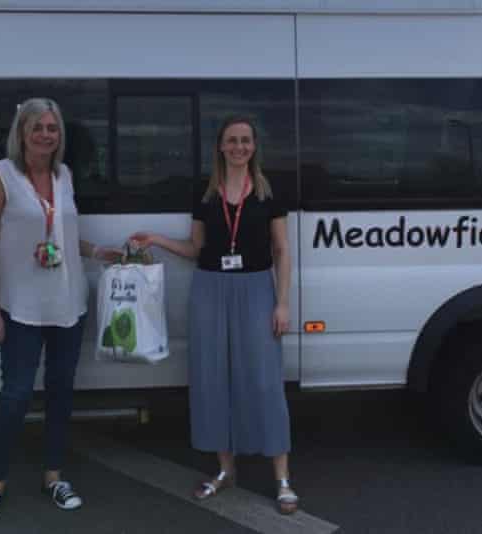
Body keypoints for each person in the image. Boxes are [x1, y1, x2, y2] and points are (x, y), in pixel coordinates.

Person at [130, 116, 298, 514]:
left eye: (245, 140)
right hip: (209, 289)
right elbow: (196, 249)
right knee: (213, 379)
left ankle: (283, 478)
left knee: (264, 383)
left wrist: (283, 302)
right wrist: (155, 240)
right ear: (220, 148)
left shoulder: (269, 193)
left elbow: (282, 251)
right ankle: (225, 470)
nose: (238, 146)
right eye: (231, 141)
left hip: (257, 289)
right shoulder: (205, 196)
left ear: (254, 147)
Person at [0, 98, 120, 527]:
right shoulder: (1, 175)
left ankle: (53, 475)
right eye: (37, 127)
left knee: (60, 395)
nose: (46, 135)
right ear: (21, 132)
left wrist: (96, 251)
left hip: (68, 305)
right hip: (20, 309)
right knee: (15, 398)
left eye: (52, 128)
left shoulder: (64, 174)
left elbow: (64, 233)